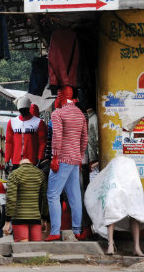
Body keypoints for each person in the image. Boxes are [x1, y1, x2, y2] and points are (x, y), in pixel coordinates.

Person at [46, 86, 88, 242]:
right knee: (75, 196)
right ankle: (77, 230)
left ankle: (55, 231)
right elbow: (85, 138)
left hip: (62, 159)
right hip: (75, 160)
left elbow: (57, 136)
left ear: (60, 96)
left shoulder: (58, 113)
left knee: (53, 194)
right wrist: (80, 156)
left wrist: (55, 157)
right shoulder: (80, 114)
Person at [4, 158, 48, 242]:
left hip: (19, 217)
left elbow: (11, 198)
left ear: (20, 164)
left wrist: (7, 221)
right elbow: (45, 198)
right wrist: (44, 218)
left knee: (22, 247)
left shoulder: (14, 174)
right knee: (36, 247)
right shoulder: (40, 174)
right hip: (35, 217)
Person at [5, 96, 47, 169]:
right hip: (16, 161)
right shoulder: (12, 122)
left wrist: (40, 158)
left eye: (25, 109)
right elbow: (9, 142)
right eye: (21, 110)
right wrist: (7, 160)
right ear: (18, 109)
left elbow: (42, 143)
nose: (23, 112)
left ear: (29, 108)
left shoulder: (38, 122)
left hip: (32, 161)